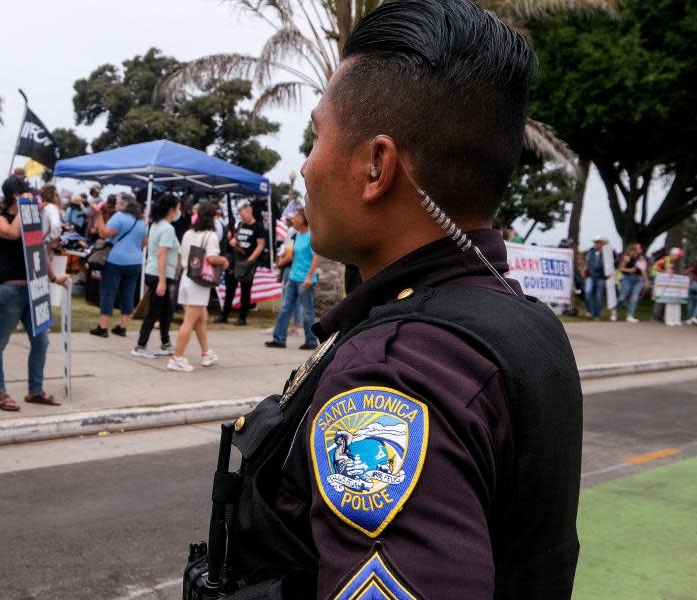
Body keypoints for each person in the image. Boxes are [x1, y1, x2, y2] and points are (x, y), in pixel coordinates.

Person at [185, 2, 582, 598]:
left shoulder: (397, 374)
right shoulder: (523, 320)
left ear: (376, 166)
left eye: (317, 136)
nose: (304, 167)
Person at [0, 176, 68, 411]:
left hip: (34, 288)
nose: (34, 198)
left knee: (41, 341)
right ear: (15, 196)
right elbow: (12, 233)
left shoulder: (31, 219)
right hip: (9, 289)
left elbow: (38, 250)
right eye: (27, 194)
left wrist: (54, 278)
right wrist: (24, 208)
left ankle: (35, 390)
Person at [168, 202, 229, 372]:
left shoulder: (188, 233)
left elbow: (182, 255)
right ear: (213, 217)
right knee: (189, 321)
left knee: (200, 318)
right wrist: (223, 260)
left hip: (186, 279)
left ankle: (206, 353)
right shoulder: (211, 236)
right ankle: (177, 357)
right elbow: (211, 258)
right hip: (199, 283)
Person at [131, 195, 181, 359]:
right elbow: (162, 254)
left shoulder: (156, 225)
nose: (179, 211)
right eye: (178, 208)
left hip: (154, 272)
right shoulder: (167, 228)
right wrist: (162, 281)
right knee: (154, 312)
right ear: (172, 210)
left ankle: (165, 343)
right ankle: (140, 345)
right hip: (160, 274)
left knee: (167, 310)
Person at [90, 192, 145, 338]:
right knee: (128, 292)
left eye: (118, 202)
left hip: (116, 260)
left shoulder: (119, 217)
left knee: (109, 292)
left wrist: (99, 216)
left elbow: (104, 233)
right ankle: (123, 326)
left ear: (124, 205)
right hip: (136, 261)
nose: (115, 204)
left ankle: (103, 327)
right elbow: (144, 241)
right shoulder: (141, 220)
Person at [265, 207, 320, 350]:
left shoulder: (311, 236)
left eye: (295, 217)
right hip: (293, 277)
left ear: (303, 219)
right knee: (285, 308)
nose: (292, 219)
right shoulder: (297, 235)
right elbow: (293, 256)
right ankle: (279, 339)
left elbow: (316, 257)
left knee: (307, 311)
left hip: (305, 280)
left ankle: (311, 341)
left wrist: (309, 276)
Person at [216, 201, 265, 326]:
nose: (241, 216)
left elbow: (260, 245)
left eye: (242, 214)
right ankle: (224, 315)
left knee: (245, 291)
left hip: (247, 263)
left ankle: (242, 317)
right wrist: (232, 240)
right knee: (230, 289)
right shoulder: (240, 225)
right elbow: (235, 239)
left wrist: (250, 260)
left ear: (249, 212)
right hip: (235, 261)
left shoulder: (258, 227)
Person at [613, 242, 647, 323]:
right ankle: (615, 311)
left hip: (638, 280)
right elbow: (620, 268)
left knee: (634, 298)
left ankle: (630, 315)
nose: (640, 249)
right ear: (634, 249)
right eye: (639, 248)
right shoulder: (627, 257)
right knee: (622, 297)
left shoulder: (641, 258)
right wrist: (630, 270)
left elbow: (643, 271)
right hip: (628, 278)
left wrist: (646, 281)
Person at [653, 247, 685, 326]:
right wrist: (665, 272)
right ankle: (656, 317)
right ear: (674, 255)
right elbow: (655, 267)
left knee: (665, 300)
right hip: (659, 282)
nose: (678, 258)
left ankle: (662, 317)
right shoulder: (665, 259)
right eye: (678, 256)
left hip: (664, 282)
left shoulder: (671, 261)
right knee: (660, 299)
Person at [583, 236, 608, 320]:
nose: (597, 244)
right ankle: (591, 311)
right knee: (587, 292)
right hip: (590, 275)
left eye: (599, 242)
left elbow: (610, 264)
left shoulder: (606, 253)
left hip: (601, 277)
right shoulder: (590, 252)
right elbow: (587, 263)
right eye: (596, 242)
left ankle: (597, 314)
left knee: (598, 296)